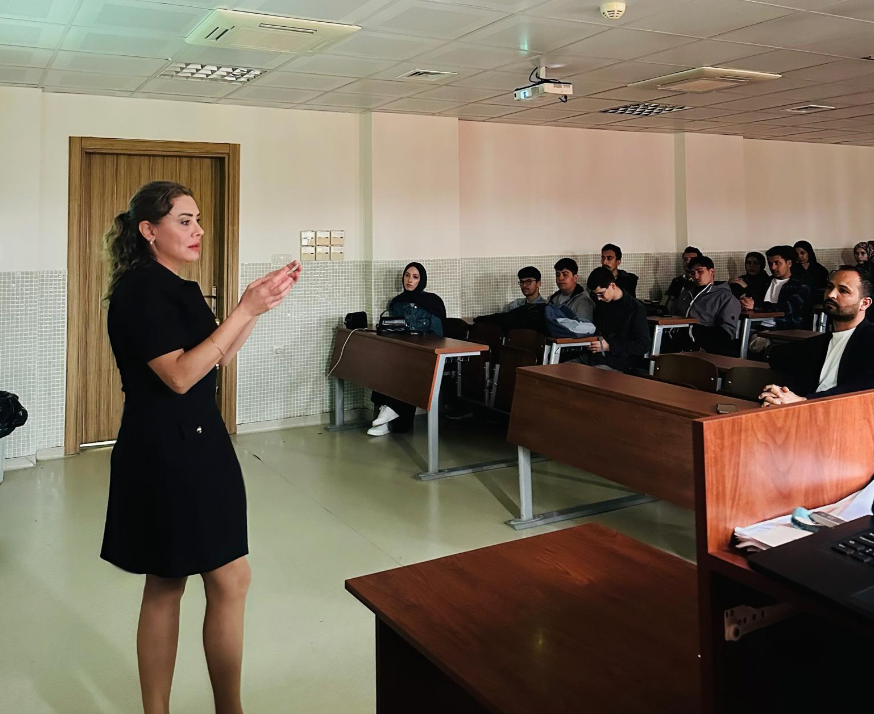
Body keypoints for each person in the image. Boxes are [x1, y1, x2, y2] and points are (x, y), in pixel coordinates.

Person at [102, 181, 301, 714]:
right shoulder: (140, 291)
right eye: (184, 221)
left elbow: (219, 358)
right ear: (149, 231)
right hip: (165, 450)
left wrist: (253, 308)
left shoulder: (177, 287)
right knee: (183, 580)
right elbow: (181, 375)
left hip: (199, 442)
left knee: (212, 578)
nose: (198, 230)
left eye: (198, 220)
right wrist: (243, 310)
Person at [762, 266, 874, 405]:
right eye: (829, 287)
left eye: (843, 291)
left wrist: (805, 401)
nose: (831, 294)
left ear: (864, 303)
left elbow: (865, 386)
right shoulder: (817, 344)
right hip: (809, 416)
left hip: (852, 416)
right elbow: (778, 359)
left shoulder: (870, 338)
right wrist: (780, 397)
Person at [369, 262, 446, 437]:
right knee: (382, 365)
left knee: (404, 368)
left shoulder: (432, 303)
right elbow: (392, 329)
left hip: (424, 356)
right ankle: (388, 417)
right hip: (402, 353)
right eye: (407, 275)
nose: (409, 280)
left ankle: (390, 410)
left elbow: (438, 337)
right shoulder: (398, 303)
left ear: (422, 280)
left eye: (415, 277)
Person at [741, 246, 812, 355]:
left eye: (777, 263)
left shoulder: (800, 285)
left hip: (784, 329)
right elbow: (753, 299)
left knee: (757, 343)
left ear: (789, 263)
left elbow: (787, 308)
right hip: (758, 327)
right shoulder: (765, 282)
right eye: (770, 263)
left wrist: (756, 305)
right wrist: (745, 302)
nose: (773, 267)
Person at [666, 256, 740, 355]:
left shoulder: (725, 297)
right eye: (693, 273)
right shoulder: (686, 293)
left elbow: (727, 333)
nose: (696, 276)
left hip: (705, 345)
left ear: (711, 272)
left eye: (700, 272)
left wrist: (694, 330)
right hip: (679, 341)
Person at [583, 267, 650, 372]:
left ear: (612, 286)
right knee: (565, 369)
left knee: (592, 374)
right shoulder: (601, 303)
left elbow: (643, 345)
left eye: (601, 293)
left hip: (619, 361)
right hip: (595, 356)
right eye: (596, 295)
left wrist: (609, 347)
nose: (599, 298)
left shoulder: (635, 308)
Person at [546, 258, 596, 335]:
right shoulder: (552, 298)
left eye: (565, 274)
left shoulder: (584, 302)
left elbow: (583, 331)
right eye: (557, 275)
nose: (560, 278)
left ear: (575, 278)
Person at [664, 246, 702, 311]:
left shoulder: (701, 281)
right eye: (685, 259)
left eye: (692, 259)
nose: (688, 262)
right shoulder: (677, 281)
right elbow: (668, 302)